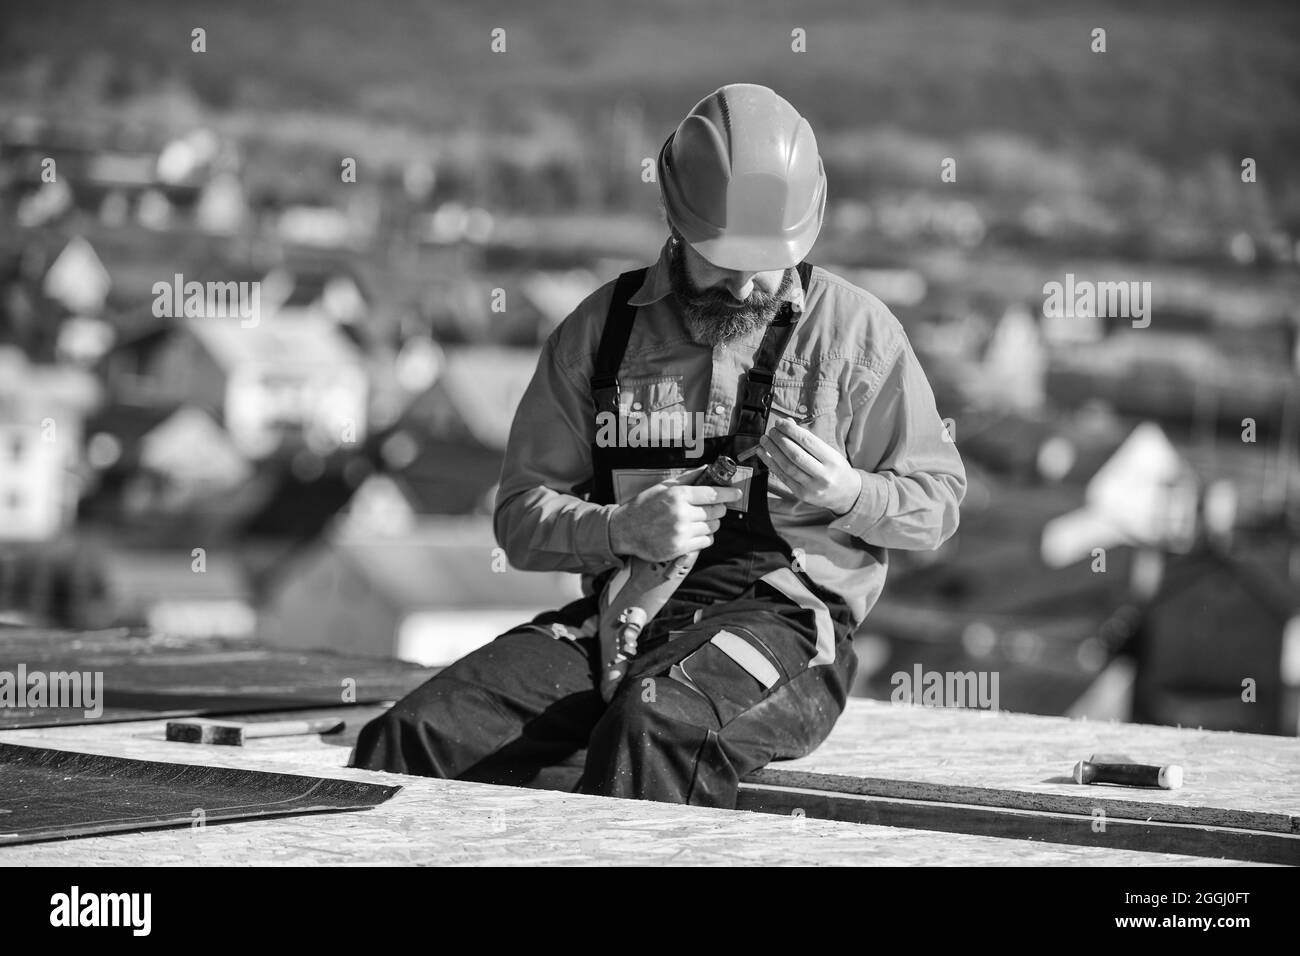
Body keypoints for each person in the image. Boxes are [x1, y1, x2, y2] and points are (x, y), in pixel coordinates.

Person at [352, 83, 966, 807]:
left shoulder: (855, 336)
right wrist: (619, 527)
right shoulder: (598, 335)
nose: (742, 288)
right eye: (721, 263)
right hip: (621, 615)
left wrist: (850, 494)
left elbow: (938, 504)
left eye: (763, 266)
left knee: (659, 722)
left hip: (787, 627)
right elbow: (519, 518)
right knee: (412, 736)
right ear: (675, 222)